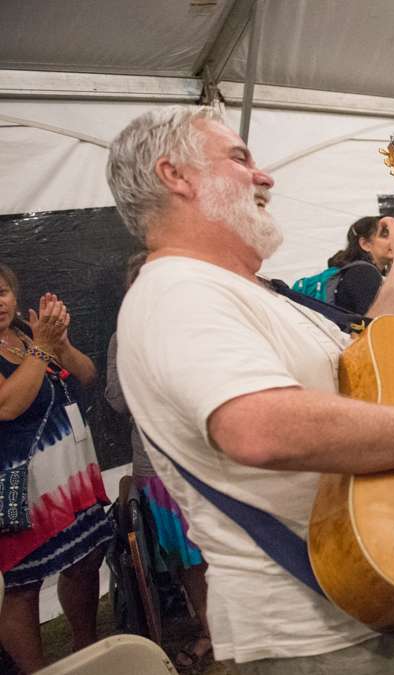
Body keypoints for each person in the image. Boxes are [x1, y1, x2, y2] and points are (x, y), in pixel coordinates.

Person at [105, 105, 394, 673]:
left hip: (377, 596)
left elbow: (369, 362)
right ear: (175, 176)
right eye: (240, 158)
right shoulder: (179, 292)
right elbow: (259, 427)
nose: (265, 175)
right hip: (316, 633)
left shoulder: (250, 291)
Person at [0, 266, 110, 674]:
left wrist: (59, 344)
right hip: (21, 485)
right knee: (23, 584)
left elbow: (87, 375)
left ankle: (87, 647)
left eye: (3, 292)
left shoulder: (28, 337)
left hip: (70, 473)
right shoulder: (34, 343)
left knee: (85, 556)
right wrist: (43, 348)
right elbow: (8, 405)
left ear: (15, 295)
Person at [105, 251, 212, 671]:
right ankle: (208, 630)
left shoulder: (198, 327)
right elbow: (115, 400)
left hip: (207, 458)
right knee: (187, 558)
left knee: (222, 546)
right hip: (158, 465)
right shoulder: (122, 339)